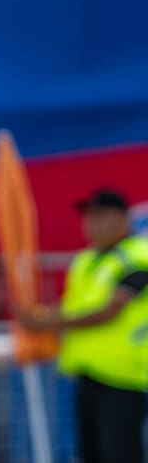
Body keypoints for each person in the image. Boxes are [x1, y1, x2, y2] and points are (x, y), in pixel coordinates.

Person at [17, 188, 148, 463]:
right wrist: (37, 315)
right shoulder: (86, 260)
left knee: (121, 454)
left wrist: (46, 321)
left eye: (100, 215)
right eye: (88, 216)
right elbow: (71, 308)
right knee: (91, 454)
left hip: (124, 376)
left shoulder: (140, 254)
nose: (92, 223)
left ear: (123, 218)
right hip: (86, 374)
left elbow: (110, 310)